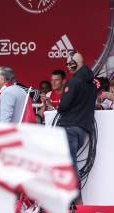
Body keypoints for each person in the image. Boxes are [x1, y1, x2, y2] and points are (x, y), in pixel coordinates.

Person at [56, 52, 98, 196]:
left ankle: (76, 198)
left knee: (69, 162)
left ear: (75, 63)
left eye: (69, 63)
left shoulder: (73, 82)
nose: (67, 66)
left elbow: (63, 106)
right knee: (69, 162)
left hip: (69, 126)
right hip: (84, 129)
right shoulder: (92, 84)